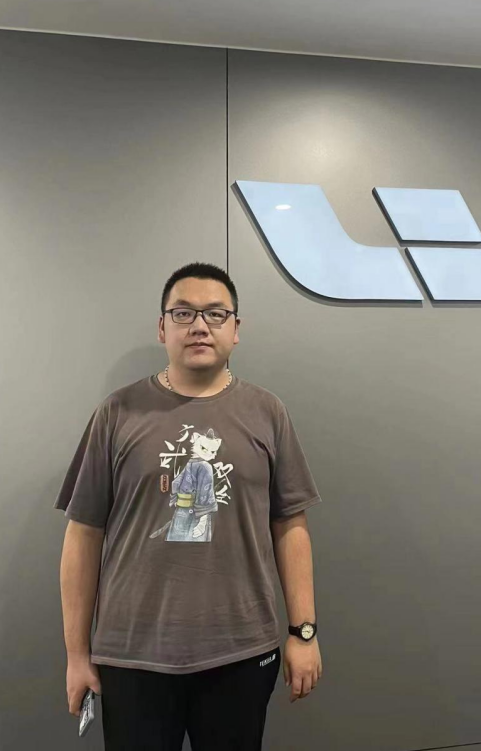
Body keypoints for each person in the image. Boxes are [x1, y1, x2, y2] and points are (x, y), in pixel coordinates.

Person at [54, 262, 322, 751]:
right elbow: (83, 534)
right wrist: (76, 655)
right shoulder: (117, 413)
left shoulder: (268, 412)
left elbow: (291, 525)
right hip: (131, 655)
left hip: (242, 652)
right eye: (183, 313)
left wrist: (303, 632)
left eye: (216, 313)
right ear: (162, 327)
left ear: (236, 329)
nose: (200, 325)